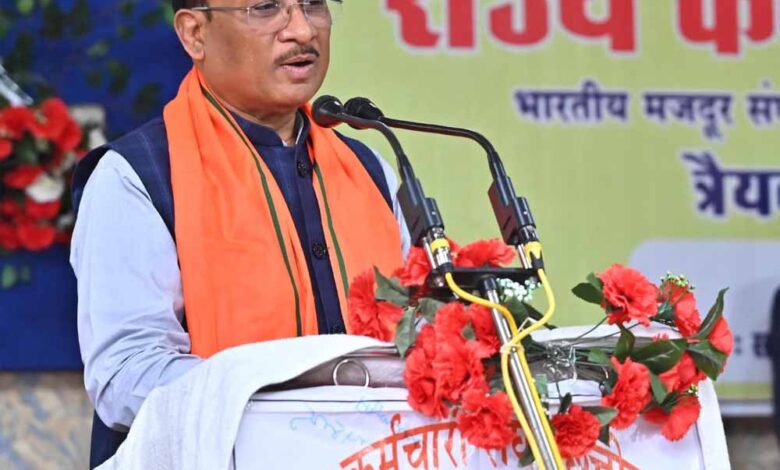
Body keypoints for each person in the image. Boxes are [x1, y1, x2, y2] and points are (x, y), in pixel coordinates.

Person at [70, 1, 410, 467]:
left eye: (313, 4)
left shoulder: (369, 171)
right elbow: (127, 376)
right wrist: (289, 400)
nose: (301, 30)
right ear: (195, 33)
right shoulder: (138, 176)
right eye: (266, 8)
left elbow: (419, 336)